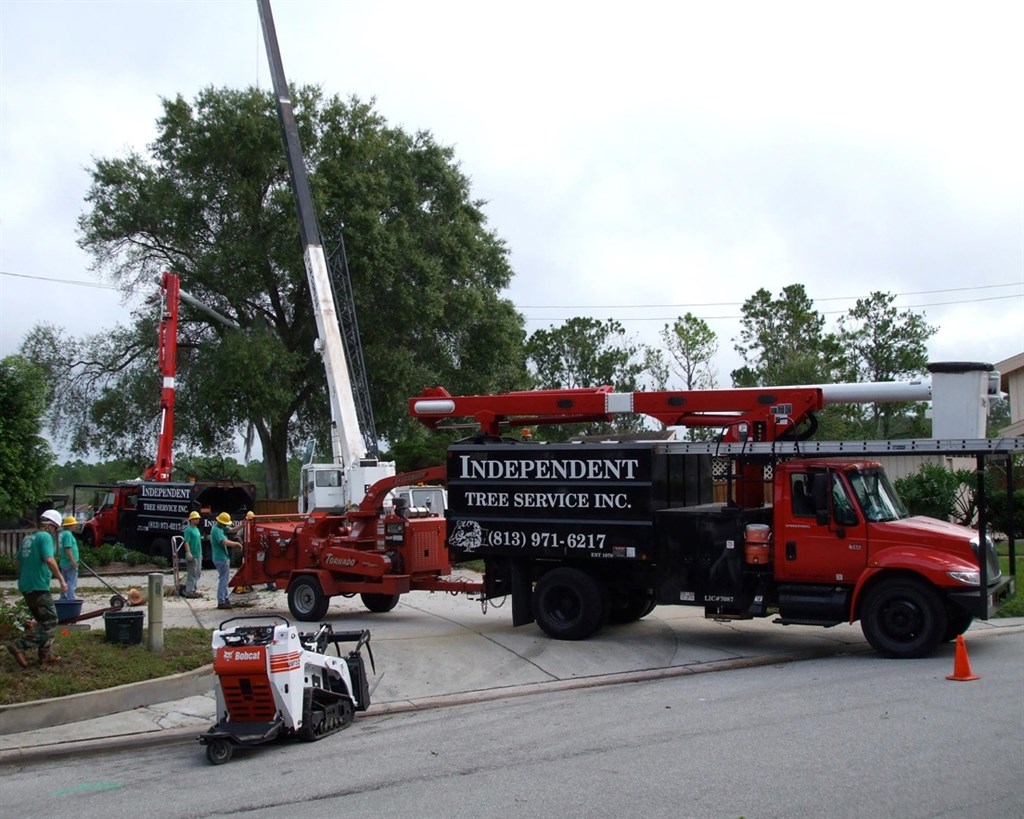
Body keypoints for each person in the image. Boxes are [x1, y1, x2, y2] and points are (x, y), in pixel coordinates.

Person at [8, 509, 67, 669]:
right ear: (52, 525)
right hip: (38, 586)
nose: (55, 532)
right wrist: (61, 579)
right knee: (51, 621)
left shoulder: (28, 538)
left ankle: (45, 657)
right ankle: (19, 645)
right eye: (56, 528)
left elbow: (18, 561)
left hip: (26, 586)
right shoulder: (44, 536)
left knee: (43, 621)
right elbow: (49, 558)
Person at [211, 511, 241, 610]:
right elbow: (224, 542)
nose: (226, 525)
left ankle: (225, 598)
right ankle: (221, 601)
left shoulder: (220, 527)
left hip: (220, 557)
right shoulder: (217, 531)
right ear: (221, 522)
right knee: (223, 580)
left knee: (224, 579)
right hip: (221, 558)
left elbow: (232, 530)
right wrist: (236, 544)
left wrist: (243, 525)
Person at [182, 511, 204, 599]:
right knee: (192, 573)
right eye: (195, 519)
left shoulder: (197, 529)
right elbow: (186, 541)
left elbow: (199, 542)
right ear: (191, 520)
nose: (197, 520)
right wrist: (188, 552)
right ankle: (189, 591)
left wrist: (201, 553)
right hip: (192, 554)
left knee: (197, 572)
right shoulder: (188, 530)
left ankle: (194, 589)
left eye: (198, 518)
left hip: (198, 554)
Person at [58, 515, 80, 601]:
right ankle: (71, 599)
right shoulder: (68, 534)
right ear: (70, 525)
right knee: (71, 582)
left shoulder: (62, 534)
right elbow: (68, 548)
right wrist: (73, 561)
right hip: (69, 562)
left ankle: (63, 598)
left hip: (64, 561)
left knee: (65, 582)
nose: (75, 526)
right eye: (74, 524)